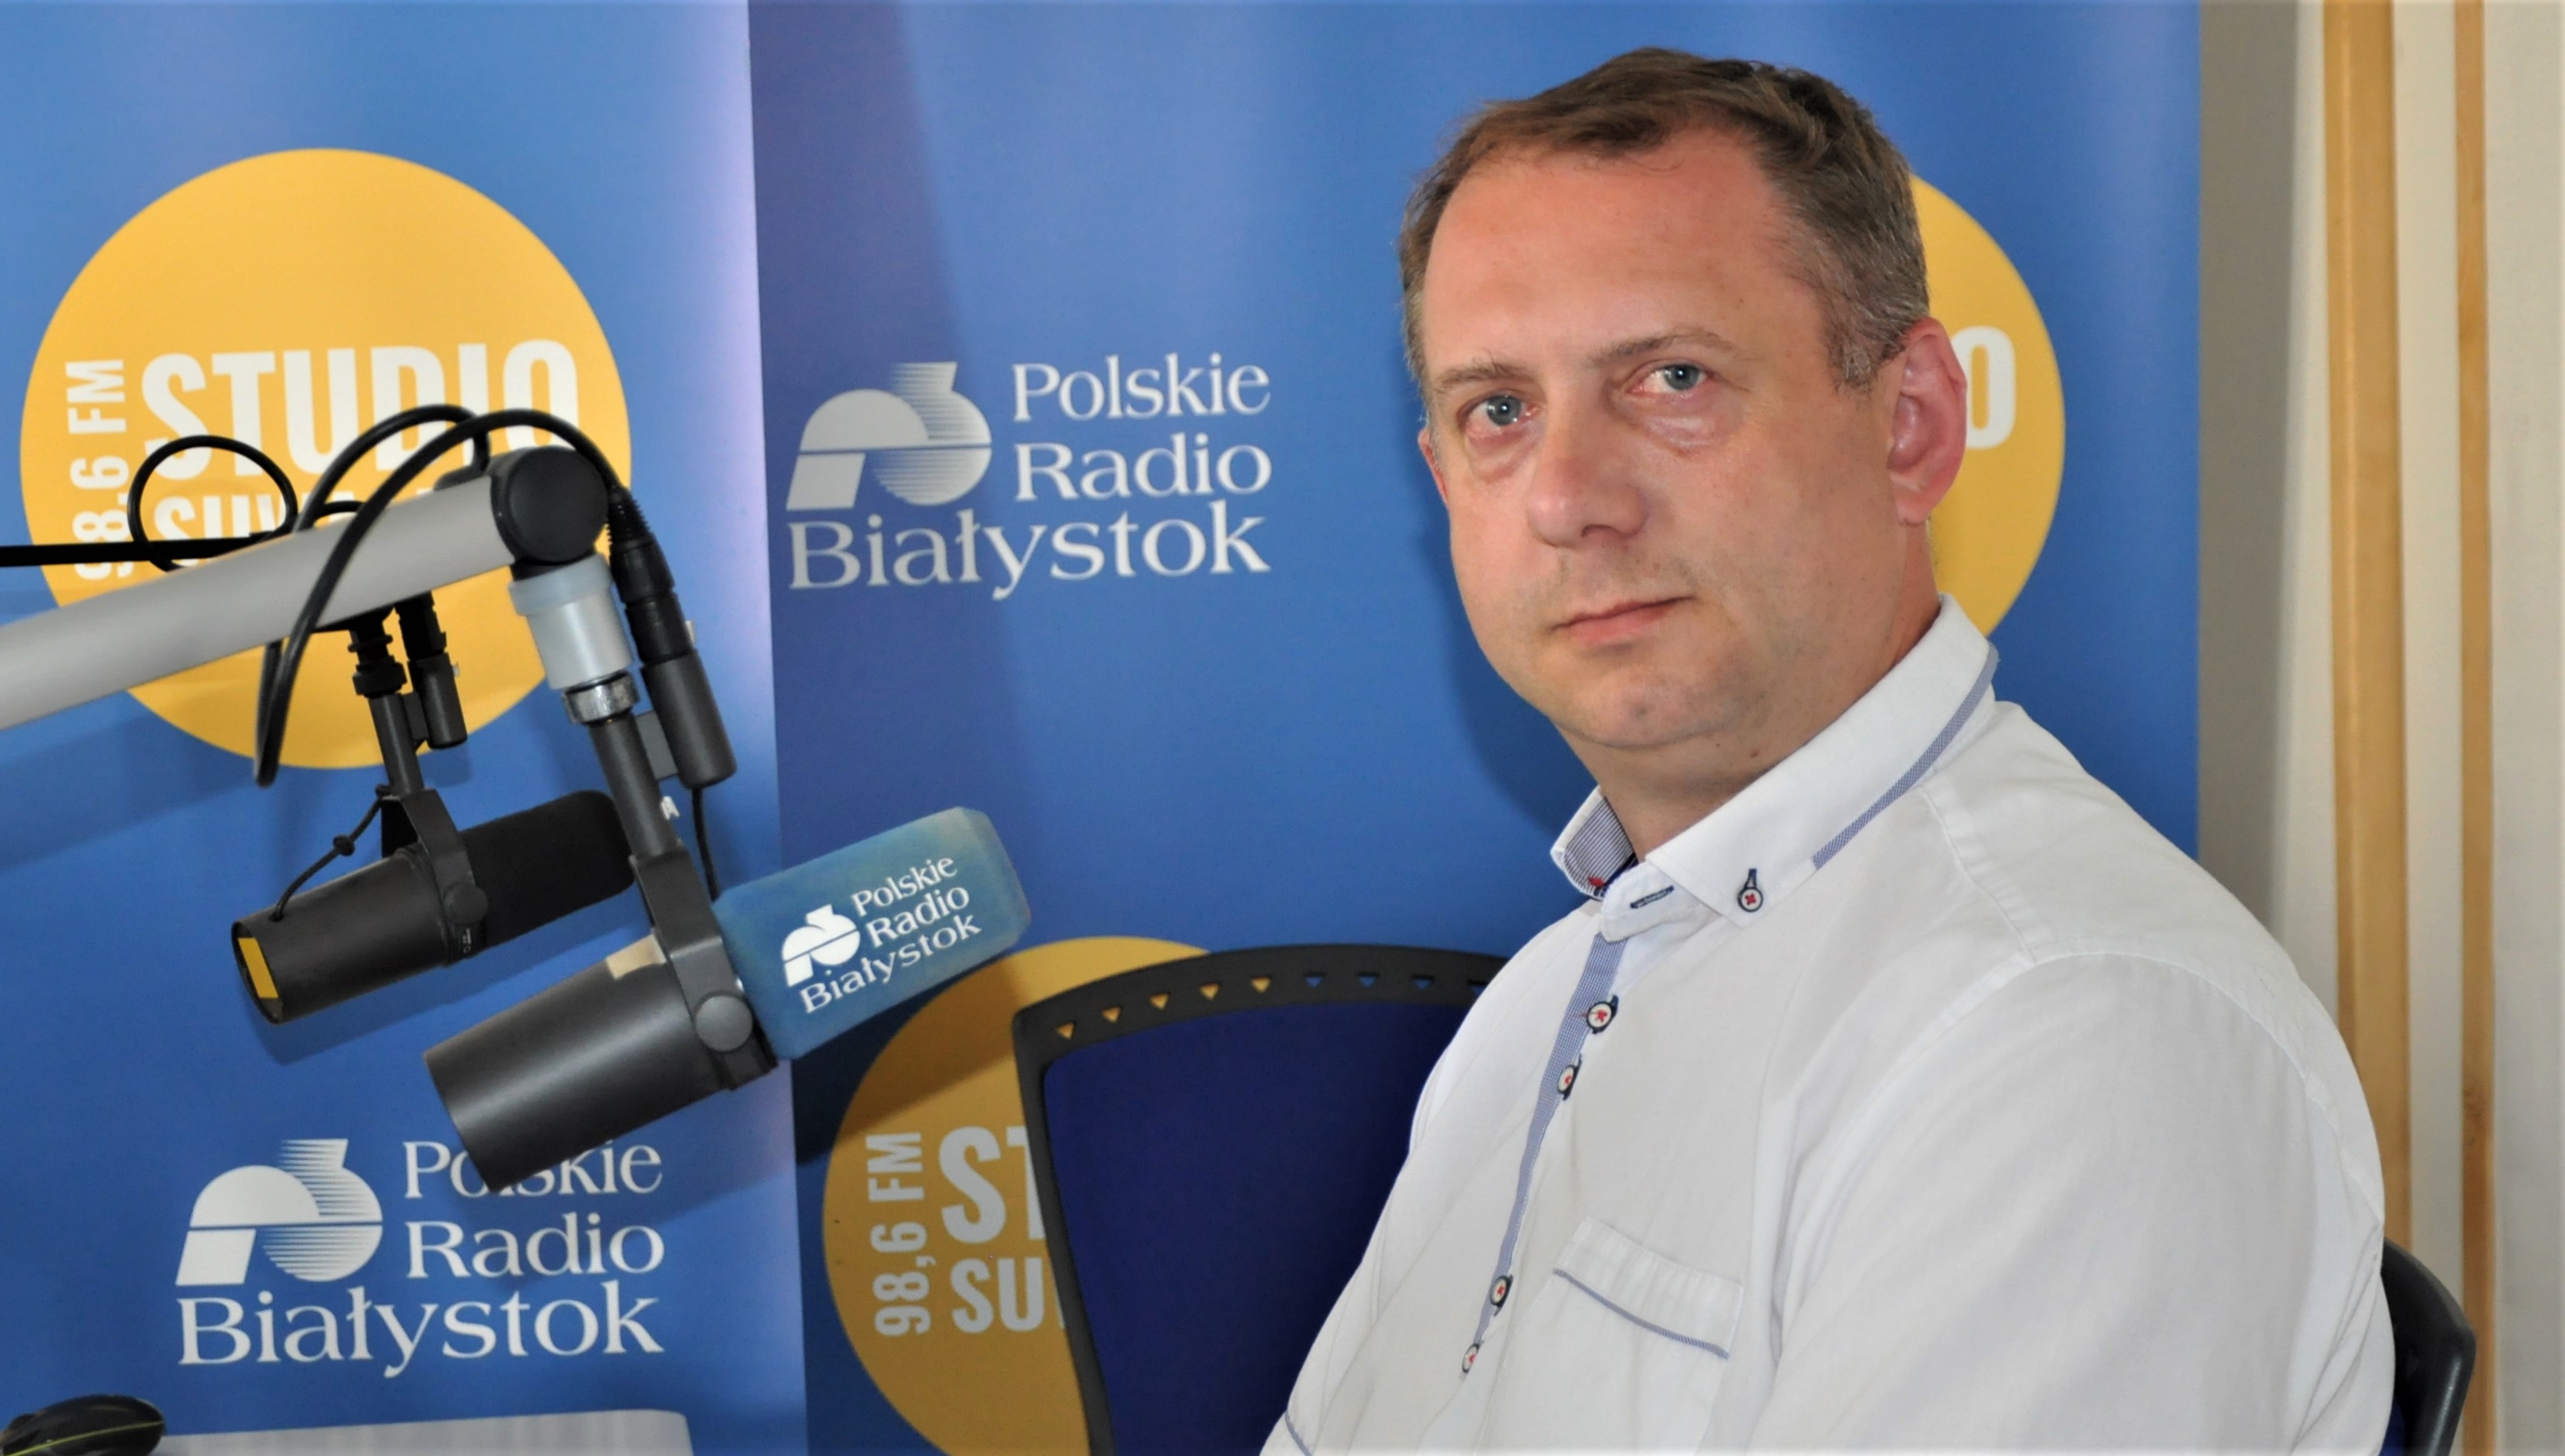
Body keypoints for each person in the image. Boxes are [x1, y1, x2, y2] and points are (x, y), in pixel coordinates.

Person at [1268, 48, 2390, 1451]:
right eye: (1499, 410)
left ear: (1910, 425)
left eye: (1671, 378)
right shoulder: (1554, 995)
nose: (1567, 496)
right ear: (1442, 477)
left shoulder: (2075, 1031)